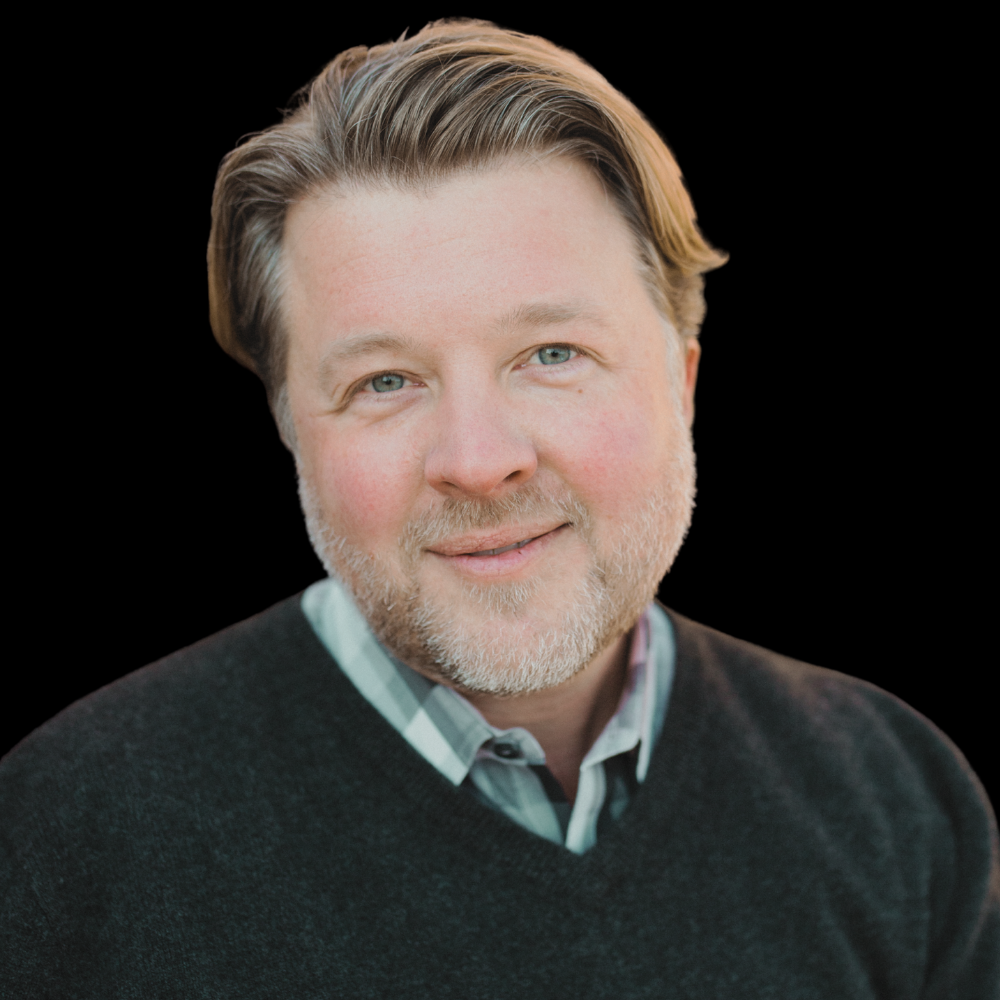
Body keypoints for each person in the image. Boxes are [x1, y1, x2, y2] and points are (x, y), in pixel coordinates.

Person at [2, 19, 997, 997]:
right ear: (292, 431)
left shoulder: (896, 798)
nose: (478, 462)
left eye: (552, 355)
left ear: (682, 383)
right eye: (385, 380)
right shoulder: (58, 841)